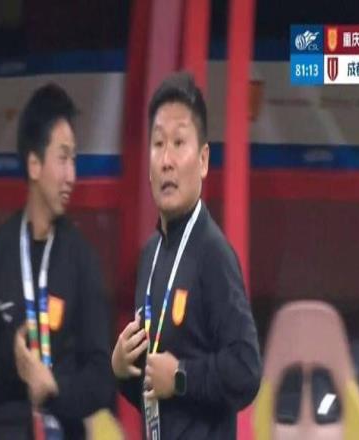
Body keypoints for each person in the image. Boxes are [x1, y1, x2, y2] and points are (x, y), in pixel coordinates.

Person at [112, 72, 262, 439]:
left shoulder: (214, 254)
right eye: (158, 143)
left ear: (204, 160)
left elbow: (246, 370)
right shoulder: (150, 255)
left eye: (179, 142)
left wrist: (181, 377)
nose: (166, 160)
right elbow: (155, 391)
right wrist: (122, 371)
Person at [0, 83, 115, 439]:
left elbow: (102, 379)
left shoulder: (81, 257)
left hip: (64, 427)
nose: (71, 176)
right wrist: (13, 360)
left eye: (74, 160)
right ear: (34, 164)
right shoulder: (0, 249)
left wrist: (55, 387)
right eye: (62, 159)